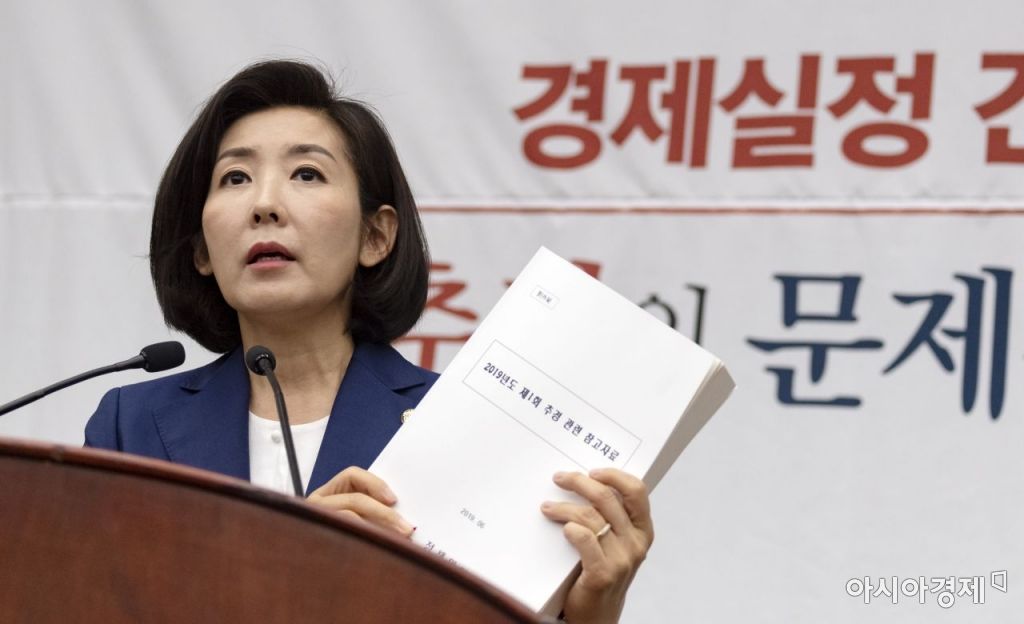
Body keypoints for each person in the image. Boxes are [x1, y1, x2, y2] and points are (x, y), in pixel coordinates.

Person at [85, 60, 653, 623]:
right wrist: (284, 568)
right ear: (202, 251)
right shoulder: (130, 428)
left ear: (375, 235)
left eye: (307, 173)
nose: (264, 204)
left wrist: (590, 617)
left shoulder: (468, 423)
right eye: (235, 178)